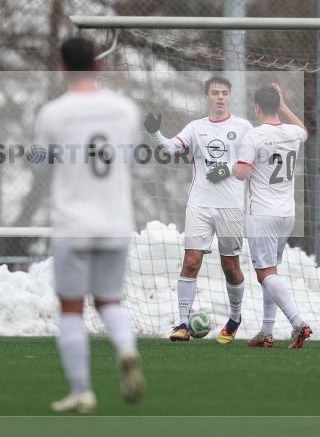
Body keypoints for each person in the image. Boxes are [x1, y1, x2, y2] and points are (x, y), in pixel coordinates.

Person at [35, 36, 145, 413]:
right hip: (115, 222)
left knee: (71, 309)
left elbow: (39, 168)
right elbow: (131, 161)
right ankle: (127, 350)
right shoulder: (126, 109)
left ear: (62, 68)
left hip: (72, 224)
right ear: (98, 66)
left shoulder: (52, 113)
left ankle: (82, 390)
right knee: (109, 301)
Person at [145, 77, 252, 343]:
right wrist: (155, 133)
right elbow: (170, 148)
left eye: (224, 93)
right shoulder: (196, 128)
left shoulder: (243, 127)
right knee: (191, 262)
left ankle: (235, 317)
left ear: (229, 96)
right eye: (215, 93)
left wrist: (226, 169)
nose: (220, 97)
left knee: (231, 267)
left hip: (231, 207)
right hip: (200, 205)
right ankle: (182, 323)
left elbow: (252, 161)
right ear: (206, 97)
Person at [231, 84, 312, 349]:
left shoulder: (254, 136)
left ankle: (298, 322)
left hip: (262, 214)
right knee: (271, 271)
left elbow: (242, 173)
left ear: (256, 108)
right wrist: (284, 105)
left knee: (264, 273)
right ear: (277, 106)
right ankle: (266, 332)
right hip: (286, 214)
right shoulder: (291, 132)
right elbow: (304, 131)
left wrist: (228, 165)